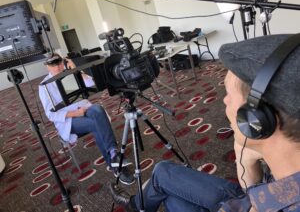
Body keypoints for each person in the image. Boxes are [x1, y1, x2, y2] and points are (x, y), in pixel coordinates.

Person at [109, 34, 300, 211]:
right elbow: (252, 190)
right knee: (163, 175)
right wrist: (247, 158)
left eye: (230, 96)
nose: (224, 101)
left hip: (241, 204)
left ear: (255, 119)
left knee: (167, 189)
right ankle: (136, 205)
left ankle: (136, 206)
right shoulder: (286, 164)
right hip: (247, 198)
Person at [39, 53, 134, 185]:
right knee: (96, 124)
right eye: (53, 65)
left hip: (84, 109)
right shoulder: (44, 86)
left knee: (98, 109)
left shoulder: (70, 73)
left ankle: (113, 155)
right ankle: (115, 163)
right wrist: (76, 113)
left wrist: (76, 70)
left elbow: (91, 83)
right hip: (69, 120)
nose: (58, 67)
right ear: (47, 67)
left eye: (59, 63)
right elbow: (51, 115)